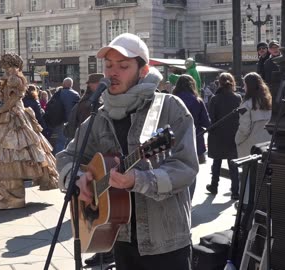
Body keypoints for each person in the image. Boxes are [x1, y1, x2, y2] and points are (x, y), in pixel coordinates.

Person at [56, 33, 197, 270]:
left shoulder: (168, 107)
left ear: (143, 70)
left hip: (166, 241)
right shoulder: (98, 117)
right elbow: (67, 156)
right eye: (109, 65)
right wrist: (77, 179)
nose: (113, 72)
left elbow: (185, 168)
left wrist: (138, 180)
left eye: (123, 66)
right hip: (118, 237)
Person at [0, 53, 58, 209]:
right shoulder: (14, 78)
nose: (4, 69)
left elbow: (13, 99)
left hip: (14, 114)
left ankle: (11, 198)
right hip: (10, 114)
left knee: (12, 151)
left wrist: (2, 111)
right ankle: (4, 196)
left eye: (6, 66)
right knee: (5, 152)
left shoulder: (15, 79)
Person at [173, 74, 211, 198]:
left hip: (174, 139)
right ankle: (188, 200)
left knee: (173, 168)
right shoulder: (197, 100)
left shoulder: (172, 99)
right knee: (191, 171)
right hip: (194, 138)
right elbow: (206, 122)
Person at [206, 72, 242, 200]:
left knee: (217, 162)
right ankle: (235, 191)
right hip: (233, 134)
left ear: (219, 83)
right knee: (233, 164)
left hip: (218, 134)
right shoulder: (237, 97)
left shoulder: (215, 99)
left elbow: (212, 117)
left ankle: (214, 186)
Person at [235, 72, 272, 158]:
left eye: (245, 85)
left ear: (249, 86)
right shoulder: (269, 103)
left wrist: (237, 140)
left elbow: (244, 129)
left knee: (250, 170)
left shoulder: (246, 105)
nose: (243, 88)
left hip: (251, 146)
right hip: (267, 145)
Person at [63, 73, 105, 141]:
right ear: (91, 85)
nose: (103, 86)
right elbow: (87, 129)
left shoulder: (94, 101)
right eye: (100, 84)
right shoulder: (87, 104)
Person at [50, 77, 80, 154]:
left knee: (60, 142)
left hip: (58, 120)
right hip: (71, 121)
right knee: (70, 141)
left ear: (63, 84)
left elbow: (49, 106)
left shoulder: (57, 94)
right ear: (71, 85)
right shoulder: (75, 94)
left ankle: (58, 158)